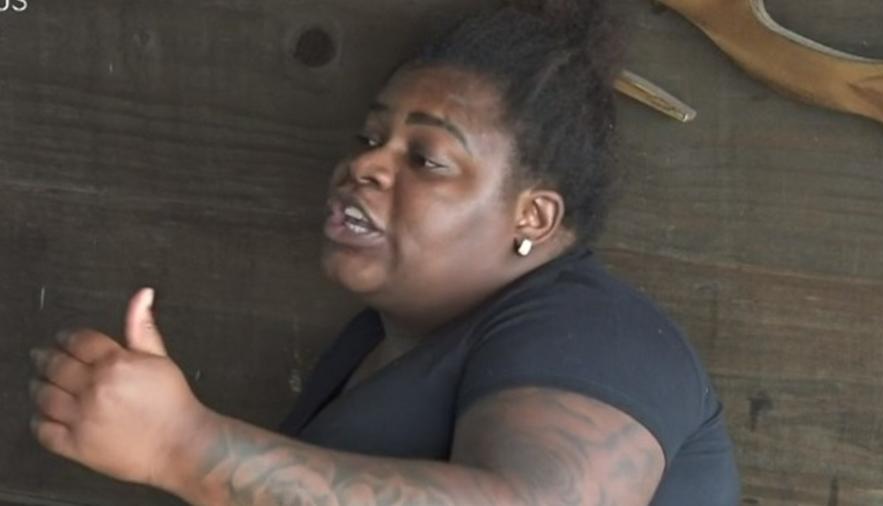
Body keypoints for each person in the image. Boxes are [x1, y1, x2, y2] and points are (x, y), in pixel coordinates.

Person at [28, 2, 740, 505]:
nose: (363, 166)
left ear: (534, 215)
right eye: (370, 139)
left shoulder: (595, 330)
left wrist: (182, 446)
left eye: (425, 159)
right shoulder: (375, 342)